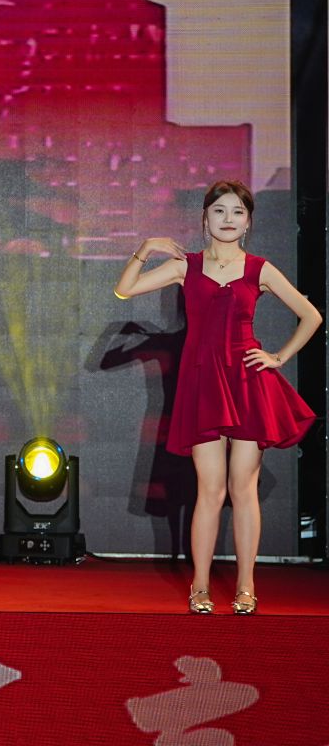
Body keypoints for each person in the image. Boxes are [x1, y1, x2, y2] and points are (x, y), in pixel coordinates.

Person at [115, 180, 319, 614]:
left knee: (243, 488)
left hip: (246, 383)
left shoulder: (260, 268)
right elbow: (125, 289)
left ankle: (246, 586)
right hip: (202, 385)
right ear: (205, 218)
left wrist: (278, 357)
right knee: (209, 490)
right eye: (219, 211)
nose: (228, 219)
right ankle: (201, 586)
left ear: (248, 222)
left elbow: (311, 315)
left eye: (237, 212)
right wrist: (146, 247)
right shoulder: (186, 266)